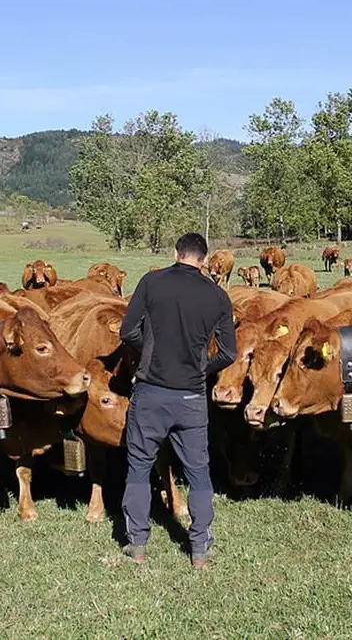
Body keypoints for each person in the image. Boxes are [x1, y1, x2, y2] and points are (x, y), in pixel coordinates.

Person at [119, 232, 237, 567]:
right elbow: (229, 352)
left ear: (176, 252)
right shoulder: (217, 296)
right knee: (199, 471)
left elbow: (128, 332)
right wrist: (202, 367)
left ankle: (138, 546)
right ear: (204, 258)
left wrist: (150, 355)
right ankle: (199, 548)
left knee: (139, 468)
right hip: (191, 396)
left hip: (150, 392)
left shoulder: (151, 282)